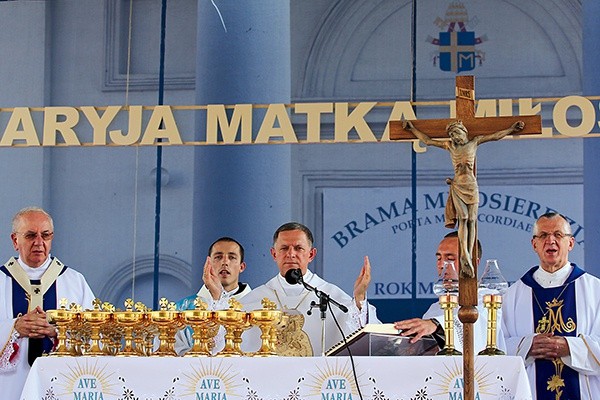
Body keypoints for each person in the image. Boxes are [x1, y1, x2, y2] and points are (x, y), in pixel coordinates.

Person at [403, 119, 524, 277]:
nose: (455, 138)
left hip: (471, 186)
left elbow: (495, 136)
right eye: (452, 135)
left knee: (472, 220)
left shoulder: (474, 142)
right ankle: (464, 254)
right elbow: (427, 140)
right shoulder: (450, 146)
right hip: (458, 186)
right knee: (463, 218)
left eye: (457, 134)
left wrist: (511, 129)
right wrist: (412, 129)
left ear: (464, 132)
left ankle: (469, 253)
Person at [240, 222, 379, 356]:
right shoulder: (253, 300)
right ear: (274, 254)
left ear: (311, 254)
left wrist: (359, 297)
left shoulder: (331, 295)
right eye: (284, 248)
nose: (291, 254)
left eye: (298, 248)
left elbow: (367, 339)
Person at [0, 207, 95, 400]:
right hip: (8, 385)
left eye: (46, 235)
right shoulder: (1, 280)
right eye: (30, 235)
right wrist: (14, 328)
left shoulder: (74, 281)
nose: (39, 243)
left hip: (60, 383)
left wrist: (58, 331)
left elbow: (96, 334)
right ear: (15, 240)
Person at [502, 212, 600, 399]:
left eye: (558, 235)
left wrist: (570, 348)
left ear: (570, 243)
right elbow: (495, 348)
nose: (551, 240)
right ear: (534, 245)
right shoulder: (512, 296)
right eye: (543, 235)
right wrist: (527, 346)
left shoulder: (595, 290)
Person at [393, 231, 505, 353]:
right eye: (439, 258)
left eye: (450, 259)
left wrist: (437, 326)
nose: (442, 265)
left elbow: (477, 326)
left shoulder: (488, 299)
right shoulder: (435, 308)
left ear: (473, 263)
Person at [174, 236, 251, 355]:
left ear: (242, 267)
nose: (225, 262)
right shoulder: (183, 308)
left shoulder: (254, 305)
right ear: (208, 263)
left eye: (232, 257)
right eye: (218, 257)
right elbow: (171, 351)